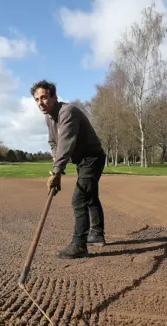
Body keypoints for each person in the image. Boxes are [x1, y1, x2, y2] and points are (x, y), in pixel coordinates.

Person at [30, 79, 107, 259]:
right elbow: (53, 143)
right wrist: (56, 167)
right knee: (90, 195)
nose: (40, 103)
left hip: (92, 158)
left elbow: (65, 143)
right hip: (82, 160)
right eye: (36, 99)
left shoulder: (67, 112)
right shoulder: (49, 117)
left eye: (43, 98)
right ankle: (96, 234)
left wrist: (57, 171)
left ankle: (80, 245)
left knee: (79, 199)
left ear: (54, 96)